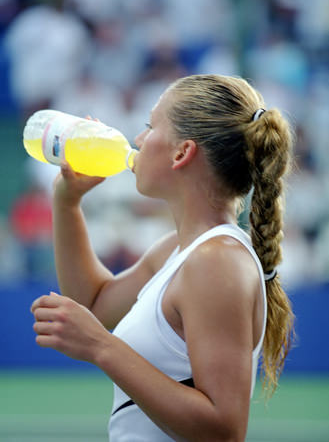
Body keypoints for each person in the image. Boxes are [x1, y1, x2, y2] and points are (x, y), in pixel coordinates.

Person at [31, 74, 294, 442]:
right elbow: (94, 302)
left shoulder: (217, 261)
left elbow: (224, 430)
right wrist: (67, 201)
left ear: (182, 152)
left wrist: (101, 347)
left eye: (149, 126)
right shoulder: (180, 249)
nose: (137, 140)